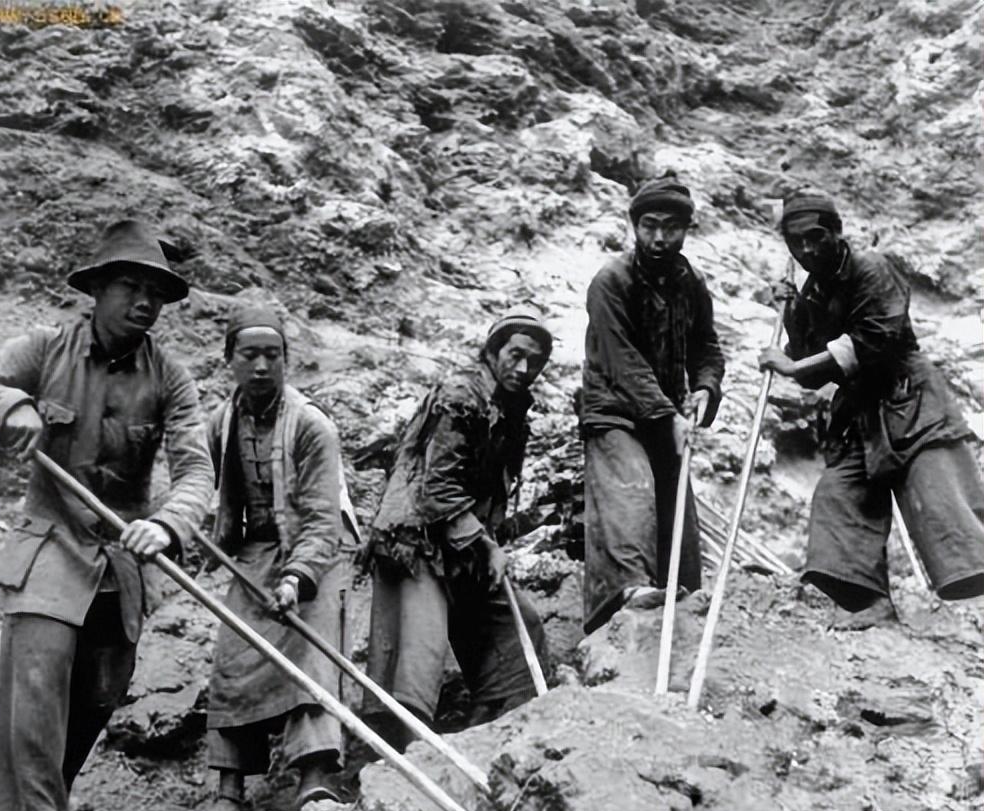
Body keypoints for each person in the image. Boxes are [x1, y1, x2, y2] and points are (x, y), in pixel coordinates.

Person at [0, 220, 214, 811]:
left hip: (121, 555)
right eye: (131, 287)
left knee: (104, 687)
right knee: (41, 669)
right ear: (98, 290)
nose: (145, 302)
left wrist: (166, 523)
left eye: (156, 293)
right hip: (49, 542)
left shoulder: (170, 377)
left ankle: (34, 804)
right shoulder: (45, 348)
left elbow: (196, 469)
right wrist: (11, 406)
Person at [759, 189, 984, 624]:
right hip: (858, 414)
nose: (807, 249)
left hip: (908, 399)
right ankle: (868, 602)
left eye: (815, 237)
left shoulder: (871, 268)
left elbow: (873, 340)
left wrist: (794, 366)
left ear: (836, 232)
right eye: (795, 241)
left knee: (944, 508)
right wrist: (790, 312)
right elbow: (811, 368)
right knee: (838, 498)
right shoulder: (813, 292)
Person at [193, 303, 361, 811]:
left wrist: (296, 577)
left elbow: (322, 517)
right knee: (235, 655)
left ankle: (316, 774)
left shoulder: (312, 425)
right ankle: (229, 786)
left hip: (318, 551)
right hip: (254, 550)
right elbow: (199, 487)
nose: (262, 366)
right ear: (230, 359)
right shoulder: (219, 423)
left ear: (287, 359)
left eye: (273, 354)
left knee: (311, 653)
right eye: (250, 355)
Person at [362, 310, 552, 752]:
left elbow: (489, 493)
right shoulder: (460, 396)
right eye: (515, 355)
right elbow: (436, 490)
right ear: (493, 351)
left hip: (462, 544)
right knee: (420, 656)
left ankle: (497, 733)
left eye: (535, 361)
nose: (524, 368)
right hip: (416, 541)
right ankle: (404, 756)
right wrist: (485, 544)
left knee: (519, 625)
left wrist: (500, 536)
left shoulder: (513, 411)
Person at [581, 173, 726, 634]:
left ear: (686, 229)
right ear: (635, 226)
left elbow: (707, 348)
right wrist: (668, 416)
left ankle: (680, 605)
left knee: (678, 522)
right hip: (615, 412)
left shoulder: (690, 283)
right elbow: (621, 361)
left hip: (664, 414)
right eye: (649, 226)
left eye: (670, 227)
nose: (659, 238)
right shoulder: (611, 282)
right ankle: (621, 606)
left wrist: (705, 388)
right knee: (631, 496)